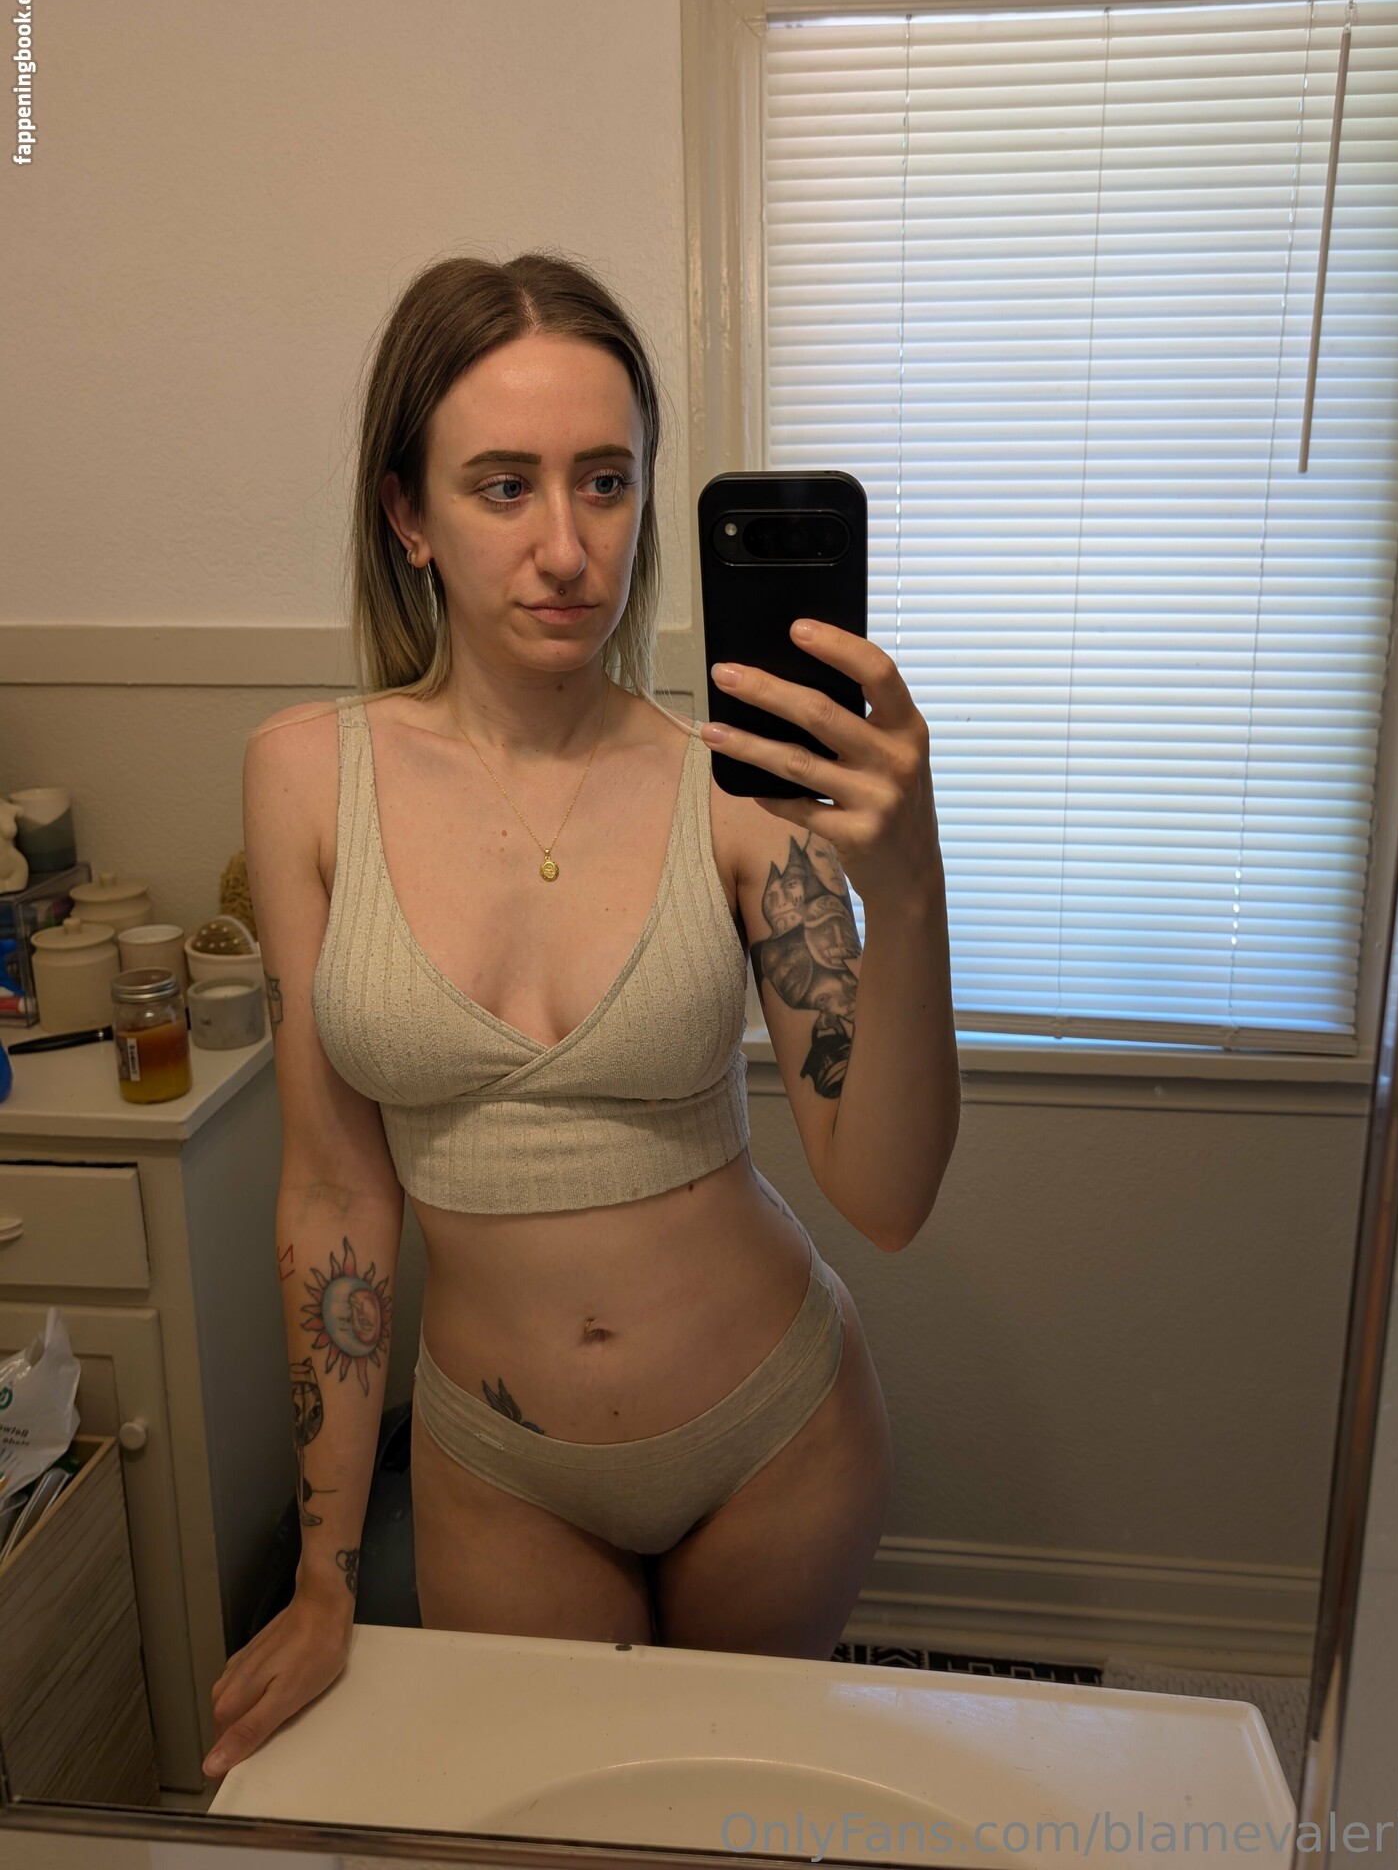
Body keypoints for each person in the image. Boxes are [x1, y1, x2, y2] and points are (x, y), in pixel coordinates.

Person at [206, 252, 959, 1781]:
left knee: (733, 1809)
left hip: (777, 1437)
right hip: (502, 1471)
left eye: (605, 482)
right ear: (407, 514)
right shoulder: (306, 780)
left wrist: (913, 892)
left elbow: (884, 1199)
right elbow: (336, 1198)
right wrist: (326, 1574)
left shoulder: (733, 795)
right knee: (553, 1822)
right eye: (504, 486)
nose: (566, 547)